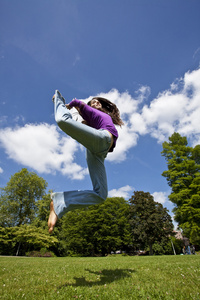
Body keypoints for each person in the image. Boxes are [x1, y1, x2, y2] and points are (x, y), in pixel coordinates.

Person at [48, 90, 123, 233]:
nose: (96, 103)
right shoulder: (90, 113)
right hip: (101, 140)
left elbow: (85, 118)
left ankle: (60, 201)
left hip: (99, 151)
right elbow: (79, 105)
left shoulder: (102, 116)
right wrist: (71, 105)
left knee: (101, 195)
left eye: (98, 101)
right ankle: (58, 99)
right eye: (92, 102)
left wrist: (81, 116)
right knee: (63, 120)